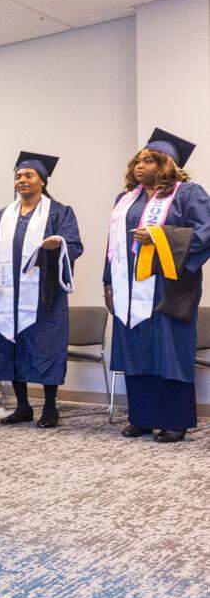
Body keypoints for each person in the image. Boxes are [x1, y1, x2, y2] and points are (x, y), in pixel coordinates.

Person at [105, 129, 210, 443]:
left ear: (166, 164)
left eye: (149, 160)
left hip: (168, 288)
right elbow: (113, 245)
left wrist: (160, 237)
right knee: (136, 351)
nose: (140, 165)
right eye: (138, 160)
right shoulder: (125, 200)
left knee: (170, 352)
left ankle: (174, 421)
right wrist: (108, 281)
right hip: (130, 288)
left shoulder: (189, 194)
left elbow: (205, 233)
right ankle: (142, 418)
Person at [0, 152, 83, 428]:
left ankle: (50, 407)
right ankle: (22, 406)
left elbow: (74, 244)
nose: (22, 181)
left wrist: (58, 243)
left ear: (42, 182)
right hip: (7, 293)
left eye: (28, 176)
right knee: (10, 345)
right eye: (18, 177)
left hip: (44, 295)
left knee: (47, 347)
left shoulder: (60, 212)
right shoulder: (2, 215)